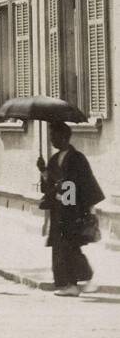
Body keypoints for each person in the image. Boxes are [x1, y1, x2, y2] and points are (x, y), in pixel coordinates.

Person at [40, 121, 106, 296]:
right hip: (59, 211)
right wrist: (44, 172)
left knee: (69, 246)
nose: (52, 139)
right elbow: (48, 187)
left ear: (64, 136)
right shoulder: (54, 160)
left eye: (54, 135)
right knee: (63, 248)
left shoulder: (77, 158)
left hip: (73, 210)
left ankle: (75, 282)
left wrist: (88, 210)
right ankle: (70, 283)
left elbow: (84, 184)